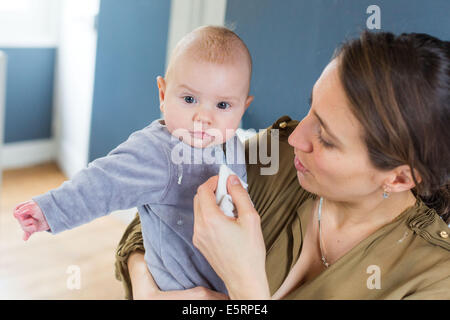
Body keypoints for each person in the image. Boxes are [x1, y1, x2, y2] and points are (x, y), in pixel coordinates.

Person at [116, 30, 450, 299]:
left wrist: (244, 284)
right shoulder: (276, 155)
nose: (295, 138)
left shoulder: (435, 279)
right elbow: (153, 215)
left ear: (400, 178)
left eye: (327, 138)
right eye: (311, 109)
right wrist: (146, 285)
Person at [12, 25, 253, 295]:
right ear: (163, 94)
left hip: (227, 285)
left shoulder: (232, 145)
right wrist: (50, 210)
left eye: (222, 106)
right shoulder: (157, 152)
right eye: (189, 99)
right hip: (177, 288)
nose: (203, 118)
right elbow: (103, 182)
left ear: (243, 107)